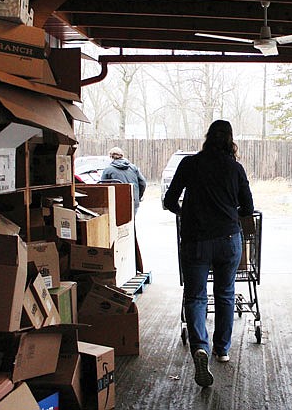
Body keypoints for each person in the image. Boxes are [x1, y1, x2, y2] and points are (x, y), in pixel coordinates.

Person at [163, 120, 254, 388]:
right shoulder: (235, 169)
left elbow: (169, 201)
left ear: (207, 138)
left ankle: (199, 348)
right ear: (229, 140)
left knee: (195, 296)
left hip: (196, 240)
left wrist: (187, 213)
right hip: (228, 240)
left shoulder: (190, 164)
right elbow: (247, 208)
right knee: (225, 293)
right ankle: (222, 350)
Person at [101, 147, 147, 214]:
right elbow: (143, 183)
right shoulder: (133, 168)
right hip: (133, 201)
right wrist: (138, 196)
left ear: (111, 157)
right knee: (131, 221)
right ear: (122, 156)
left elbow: (103, 188)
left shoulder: (108, 170)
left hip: (116, 202)